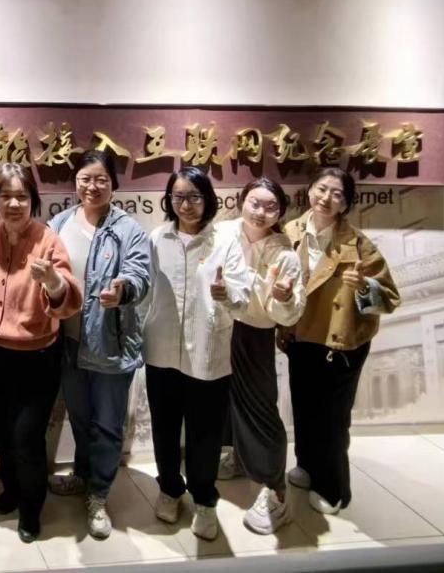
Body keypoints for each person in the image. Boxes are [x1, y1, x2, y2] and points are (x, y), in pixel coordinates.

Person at [282, 166, 400, 514]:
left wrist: (363, 286)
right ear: (309, 190)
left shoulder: (359, 245)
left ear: (346, 203)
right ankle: (307, 466)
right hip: (301, 336)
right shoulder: (289, 232)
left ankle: (333, 488)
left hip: (340, 342)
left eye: (337, 194)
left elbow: (388, 299)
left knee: (332, 419)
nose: (326, 198)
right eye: (322, 189)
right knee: (304, 407)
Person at [46, 150, 151, 540]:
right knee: (80, 417)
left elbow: (139, 274)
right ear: (75, 182)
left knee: (107, 425)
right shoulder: (59, 223)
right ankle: (83, 474)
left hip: (110, 344)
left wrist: (123, 290)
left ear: (113, 184)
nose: (92, 186)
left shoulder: (128, 229)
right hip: (69, 343)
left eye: (101, 179)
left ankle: (99, 495)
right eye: (85, 179)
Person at [0, 162, 82, 543]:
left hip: (37, 357)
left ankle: (32, 509)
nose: (14, 204)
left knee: (27, 439)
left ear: (33, 200)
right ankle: (12, 489)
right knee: (1, 432)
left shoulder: (48, 240)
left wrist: (52, 282)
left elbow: (67, 296)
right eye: (5, 196)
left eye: (22, 196)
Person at [142, 167, 242, 541]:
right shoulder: (157, 239)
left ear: (208, 200)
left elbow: (243, 292)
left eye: (194, 196)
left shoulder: (225, 241)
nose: (186, 205)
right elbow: (145, 292)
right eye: (178, 197)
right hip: (162, 350)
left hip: (207, 352)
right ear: (169, 200)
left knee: (205, 432)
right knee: (165, 428)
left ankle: (204, 500)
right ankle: (170, 489)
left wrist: (227, 294)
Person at [213, 177, 306, 537]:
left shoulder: (285, 255)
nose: (261, 212)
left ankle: (275, 492)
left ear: (280, 212)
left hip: (253, 333)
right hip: (215, 327)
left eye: (270, 206)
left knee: (259, 409)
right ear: (241, 201)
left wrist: (283, 297)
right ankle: (239, 458)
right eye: (255, 202)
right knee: (220, 402)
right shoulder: (220, 233)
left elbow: (286, 315)